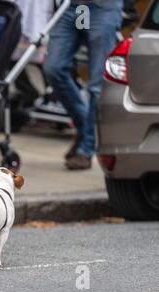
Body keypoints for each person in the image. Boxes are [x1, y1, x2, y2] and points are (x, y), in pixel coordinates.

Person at [44, 0, 123, 170]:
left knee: (97, 85)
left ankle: (86, 149)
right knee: (53, 68)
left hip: (103, 8)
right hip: (73, 6)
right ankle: (85, 125)